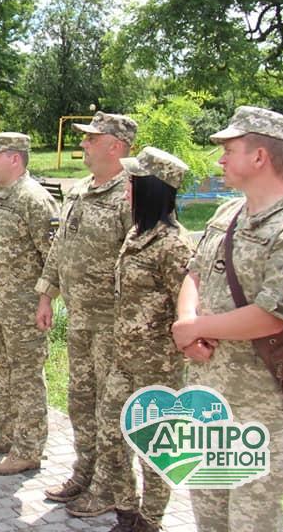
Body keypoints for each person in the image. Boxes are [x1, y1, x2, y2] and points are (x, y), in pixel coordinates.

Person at [173, 106, 283, 532]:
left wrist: (197, 328)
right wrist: (186, 323)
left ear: (259, 157)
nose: (219, 159)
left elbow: (272, 315)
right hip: (207, 398)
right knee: (208, 514)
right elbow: (195, 272)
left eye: (229, 150)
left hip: (261, 408)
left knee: (251, 520)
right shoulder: (227, 214)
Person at [85, 147, 193, 532]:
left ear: (153, 188)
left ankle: (150, 521)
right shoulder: (136, 234)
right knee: (110, 436)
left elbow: (188, 306)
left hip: (157, 367)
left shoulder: (174, 245)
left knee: (154, 447)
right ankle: (126, 509)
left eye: (134, 182)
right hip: (124, 360)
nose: (127, 188)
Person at [35, 111, 137, 513]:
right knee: (80, 401)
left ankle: (111, 488)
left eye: (92, 139)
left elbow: (142, 260)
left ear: (116, 146)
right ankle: (85, 473)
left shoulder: (132, 195)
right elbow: (59, 247)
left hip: (112, 324)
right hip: (79, 319)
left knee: (111, 410)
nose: (83, 144)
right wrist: (47, 295)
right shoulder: (79, 189)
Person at [0, 133, 60, 472]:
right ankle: (2, 433)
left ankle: (29, 449)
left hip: (22, 309)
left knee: (26, 379)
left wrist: (46, 299)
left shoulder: (35, 200)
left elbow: (54, 256)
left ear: (15, 159)